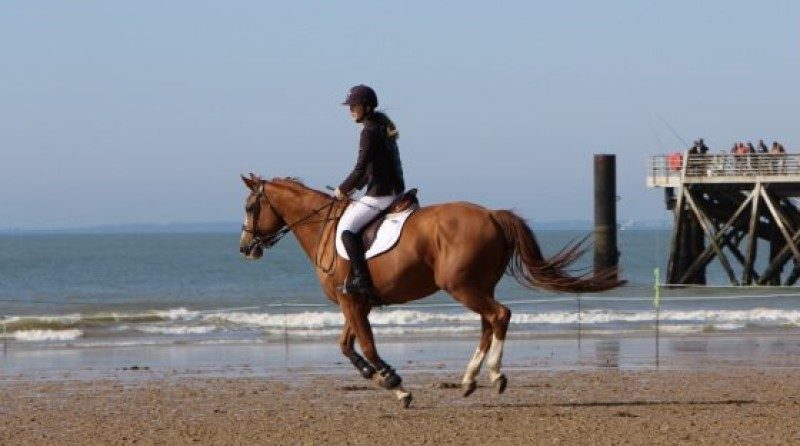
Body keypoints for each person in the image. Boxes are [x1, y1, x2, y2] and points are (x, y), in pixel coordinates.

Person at [334, 85, 405, 296]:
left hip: (381, 195)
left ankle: (362, 280)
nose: (350, 111)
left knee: (347, 230)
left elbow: (360, 169)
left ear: (365, 107)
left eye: (353, 106)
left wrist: (341, 190)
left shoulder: (369, 132)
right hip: (394, 190)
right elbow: (373, 169)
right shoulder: (382, 127)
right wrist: (354, 188)